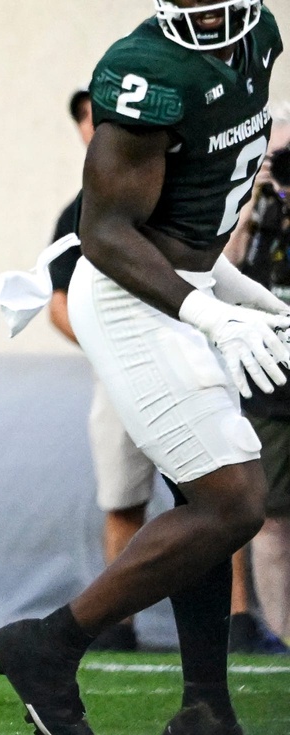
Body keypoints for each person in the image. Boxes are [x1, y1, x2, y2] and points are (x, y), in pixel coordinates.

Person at [0, 0, 290, 735]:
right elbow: (108, 232)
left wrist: (228, 288)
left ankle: (205, 724)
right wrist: (205, 309)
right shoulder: (144, 71)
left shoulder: (259, 36)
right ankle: (49, 645)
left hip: (184, 286)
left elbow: (193, 212)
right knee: (233, 501)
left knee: (207, 509)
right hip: (129, 297)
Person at [49, 88, 157, 653]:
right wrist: (106, 346)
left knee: (219, 500)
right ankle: (119, 622)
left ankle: (234, 617)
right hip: (120, 374)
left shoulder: (169, 194)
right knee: (122, 498)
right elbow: (57, 302)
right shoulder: (80, 211)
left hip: (184, 358)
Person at [223, 104, 290, 649]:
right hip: (270, 382)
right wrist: (251, 196)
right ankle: (286, 643)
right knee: (271, 519)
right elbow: (215, 270)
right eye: (275, 157)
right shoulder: (254, 204)